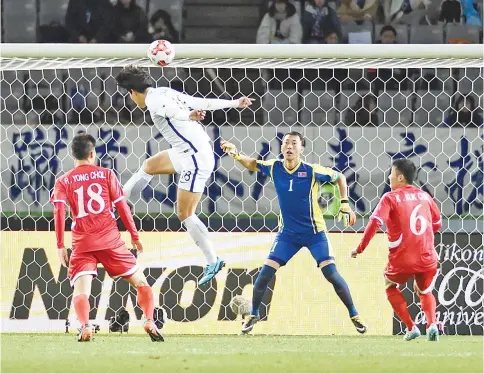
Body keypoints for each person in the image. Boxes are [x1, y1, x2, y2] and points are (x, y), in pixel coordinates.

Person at [115, 66, 253, 286]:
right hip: (186, 151)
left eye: (130, 96)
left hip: (195, 158)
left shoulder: (153, 101)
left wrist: (188, 115)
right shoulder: (165, 91)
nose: (132, 101)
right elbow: (199, 101)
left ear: (133, 92)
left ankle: (213, 259)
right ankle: (120, 202)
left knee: (184, 213)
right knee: (150, 165)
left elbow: (174, 112)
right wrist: (234, 103)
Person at [221, 132, 367, 334]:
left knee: (331, 274)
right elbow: (253, 163)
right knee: (264, 274)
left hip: (314, 233)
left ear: (301, 149)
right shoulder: (275, 167)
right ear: (281, 148)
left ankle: (354, 314)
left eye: (294, 143)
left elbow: (340, 177)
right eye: (286, 143)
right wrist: (236, 154)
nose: (289, 146)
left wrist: (344, 204)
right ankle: (253, 315)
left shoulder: (311, 171)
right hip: (287, 235)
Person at [51, 133, 163, 342]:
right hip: (110, 241)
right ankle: (149, 320)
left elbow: (59, 212)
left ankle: (85, 325)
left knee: (81, 289)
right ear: (92, 153)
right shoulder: (106, 174)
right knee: (140, 282)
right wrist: (134, 236)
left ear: (72, 154)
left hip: (82, 243)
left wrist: (60, 245)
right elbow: (122, 207)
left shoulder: (63, 181)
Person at [351, 159, 442, 341]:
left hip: (402, 258)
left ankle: (411, 327)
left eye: (391, 173)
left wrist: (360, 248)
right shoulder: (425, 196)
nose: (389, 177)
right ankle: (432, 324)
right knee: (424, 290)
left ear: (400, 177)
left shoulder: (390, 197)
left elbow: (375, 223)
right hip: (428, 257)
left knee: (390, 285)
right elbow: (437, 224)